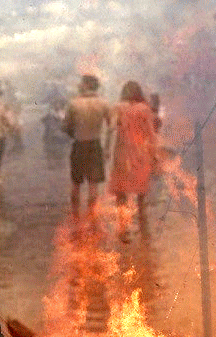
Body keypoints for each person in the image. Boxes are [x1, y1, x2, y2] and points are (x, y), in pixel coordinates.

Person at [107, 81, 158, 242]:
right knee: (141, 195)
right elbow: (151, 135)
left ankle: (123, 231)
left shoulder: (118, 108)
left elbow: (111, 130)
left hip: (121, 153)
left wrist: (107, 151)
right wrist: (155, 155)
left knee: (121, 194)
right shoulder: (144, 109)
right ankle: (144, 231)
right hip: (140, 154)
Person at [63, 74, 112, 221]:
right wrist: (107, 148)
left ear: (85, 85)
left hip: (79, 144)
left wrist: (74, 133)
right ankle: (92, 218)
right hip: (95, 145)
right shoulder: (103, 103)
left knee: (76, 183)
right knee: (93, 185)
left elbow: (66, 127)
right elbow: (111, 127)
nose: (78, 85)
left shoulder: (73, 104)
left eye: (81, 83)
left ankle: (76, 218)